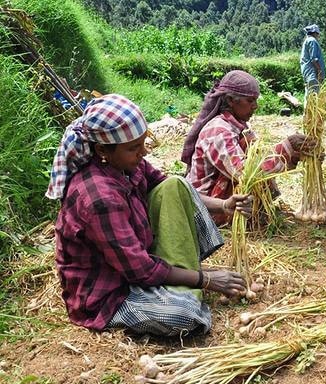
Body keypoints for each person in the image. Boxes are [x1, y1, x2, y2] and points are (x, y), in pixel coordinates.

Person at [46, 93, 249, 337]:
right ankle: (184, 282)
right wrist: (206, 280)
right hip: (111, 292)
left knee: (176, 185)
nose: (143, 152)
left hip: (137, 260)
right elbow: (140, 270)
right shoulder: (99, 198)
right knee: (183, 317)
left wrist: (225, 205)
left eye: (143, 143)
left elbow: (166, 185)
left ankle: (182, 278)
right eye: (134, 148)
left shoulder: (126, 164)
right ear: (102, 149)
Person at [181, 70, 317, 225]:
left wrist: (294, 153)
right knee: (251, 157)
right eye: (250, 101)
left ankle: (256, 211)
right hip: (205, 208)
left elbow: (259, 157)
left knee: (253, 146)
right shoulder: (219, 131)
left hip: (217, 198)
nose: (255, 106)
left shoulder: (239, 127)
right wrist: (286, 149)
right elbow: (246, 173)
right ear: (232, 100)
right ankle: (237, 217)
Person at [300, 24, 326, 100]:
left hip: (309, 74)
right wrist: (320, 71)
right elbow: (314, 59)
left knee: (309, 95)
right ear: (315, 33)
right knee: (314, 96)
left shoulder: (307, 40)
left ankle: (307, 111)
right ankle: (312, 112)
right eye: (318, 34)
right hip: (313, 74)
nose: (318, 36)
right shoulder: (312, 41)